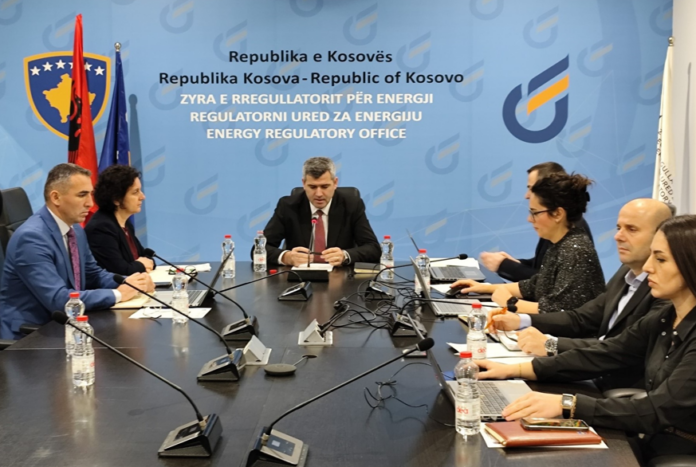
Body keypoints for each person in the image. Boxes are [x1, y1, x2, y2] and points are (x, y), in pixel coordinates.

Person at [477, 215, 696, 460]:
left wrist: (567, 405)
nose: (648, 267)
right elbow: (607, 352)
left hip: (679, 446)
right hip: (654, 438)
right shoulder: (666, 316)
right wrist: (514, 369)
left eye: (661, 259)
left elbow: (658, 410)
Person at [490, 198, 672, 389]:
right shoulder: (626, 271)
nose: (618, 236)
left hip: (615, 387)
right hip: (590, 371)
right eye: (619, 228)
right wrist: (521, 320)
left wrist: (550, 344)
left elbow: (619, 350)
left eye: (632, 229)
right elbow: (582, 318)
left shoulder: (665, 292)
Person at [0, 163, 153, 340]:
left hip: (66, 327)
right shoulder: (31, 238)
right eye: (82, 195)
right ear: (56, 197)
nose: (90, 203)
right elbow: (59, 300)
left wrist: (131, 282)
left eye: (90, 194)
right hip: (31, 337)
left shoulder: (75, 230)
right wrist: (119, 294)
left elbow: (93, 274)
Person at [453, 173, 605, 313]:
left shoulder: (575, 251)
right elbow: (534, 286)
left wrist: (509, 302)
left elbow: (559, 312)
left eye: (535, 212)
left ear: (558, 214)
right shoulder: (559, 244)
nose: (529, 219)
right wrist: (484, 288)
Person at [479, 162, 593, 282]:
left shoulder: (574, 244)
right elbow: (544, 268)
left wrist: (505, 266)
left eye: (531, 188)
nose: (527, 195)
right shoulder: (559, 229)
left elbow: (550, 282)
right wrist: (513, 263)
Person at [259, 157, 380, 267]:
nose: (318, 194)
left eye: (324, 186)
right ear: (304, 184)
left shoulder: (352, 205)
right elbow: (260, 248)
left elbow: (373, 248)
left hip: (340, 276)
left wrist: (345, 255)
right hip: (299, 277)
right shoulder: (288, 206)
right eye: (312, 187)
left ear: (335, 183)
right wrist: (286, 257)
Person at [85, 165, 154, 275]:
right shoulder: (101, 228)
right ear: (116, 199)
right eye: (135, 192)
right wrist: (141, 265)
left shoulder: (125, 223)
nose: (142, 197)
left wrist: (143, 263)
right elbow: (119, 270)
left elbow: (145, 257)